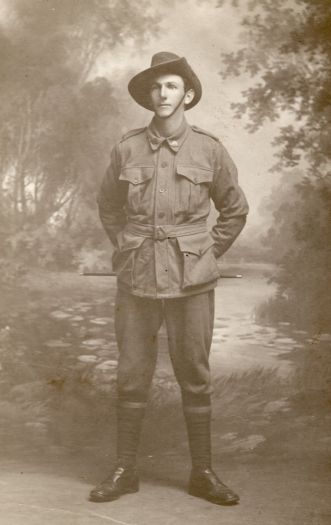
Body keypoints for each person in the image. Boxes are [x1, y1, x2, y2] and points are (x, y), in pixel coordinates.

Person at [90, 51, 249, 506]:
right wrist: (126, 245)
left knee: (195, 375)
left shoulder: (210, 150)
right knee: (131, 375)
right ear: (148, 95)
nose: (163, 94)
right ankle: (125, 471)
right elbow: (108, 205)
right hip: (136, 277)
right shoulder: (127, 148)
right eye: (157, 87)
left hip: (191, 281)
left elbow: (235, 210)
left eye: (173, 86)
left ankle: (202, 472)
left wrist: (204, 253)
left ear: (188, 94)